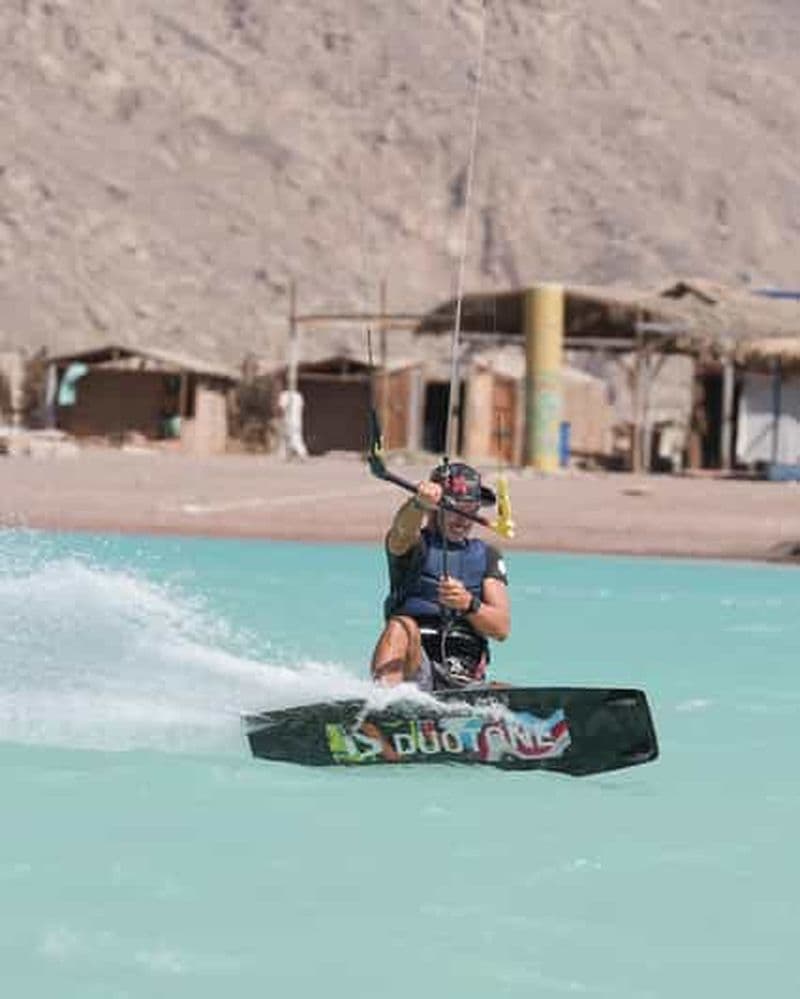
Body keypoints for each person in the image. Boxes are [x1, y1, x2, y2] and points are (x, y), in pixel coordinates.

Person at [370, 461, 510, 690]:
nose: (463, 520)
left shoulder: (488, 555)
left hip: (465, 677)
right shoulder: (412, 544)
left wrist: (468, 604)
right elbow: (402, 531)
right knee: (401, 625)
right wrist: (418, 504)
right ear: (435, 508)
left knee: (505, 690)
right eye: (455, 509)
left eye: (471, 510)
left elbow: (501, 628)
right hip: (415, 671)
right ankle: (384, 702)